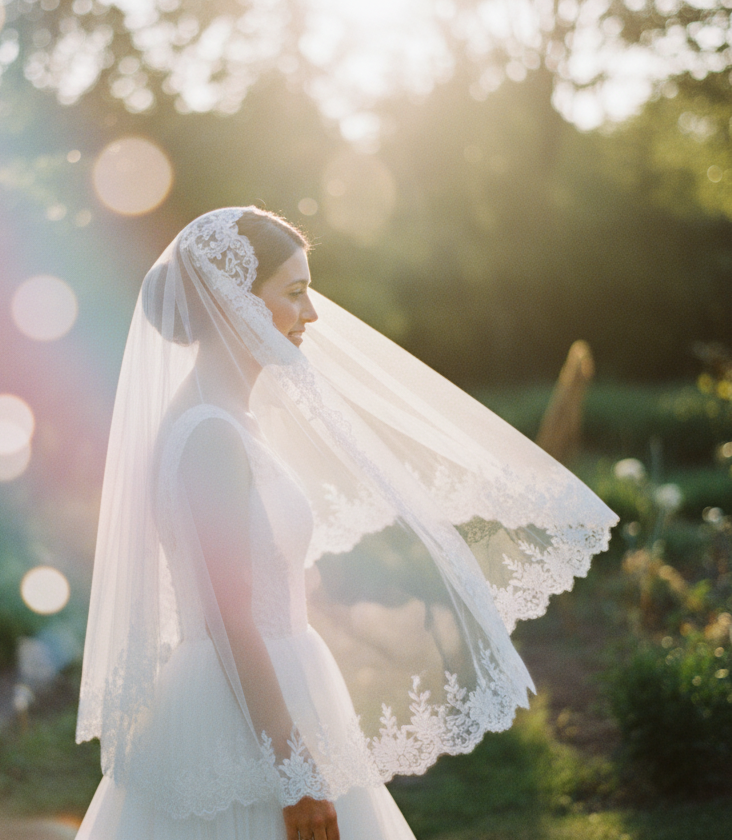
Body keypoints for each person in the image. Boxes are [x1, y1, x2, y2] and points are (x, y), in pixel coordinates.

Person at [75, 207, 616, 840]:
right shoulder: (209, 438)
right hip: (239, 714)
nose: (312, 315)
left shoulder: (230, 420)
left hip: (273, 687)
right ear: (232, 302)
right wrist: (294, 771)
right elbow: (228, 617)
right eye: (296, 293)